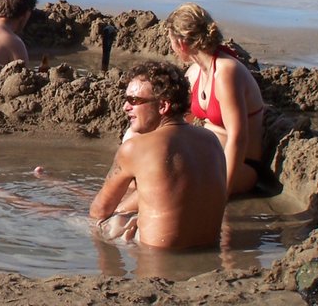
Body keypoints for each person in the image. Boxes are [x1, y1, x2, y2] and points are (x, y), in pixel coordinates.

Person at [90, 61, 227, 250]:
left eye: (134, 100)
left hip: (156, 256)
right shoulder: (211, 140)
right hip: (209, 249)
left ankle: (110, 273)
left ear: (163, 106)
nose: (125, 107)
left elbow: (100, 210)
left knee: (92, 224)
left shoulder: (135, 148)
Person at [164, 3, 267, 196]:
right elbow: (179, 121)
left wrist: (222, 193)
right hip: (205, 156)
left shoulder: (226, 72)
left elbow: (238, 137)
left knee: (173, 183)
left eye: (171, 42)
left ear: (181, 44)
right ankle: (114, 215)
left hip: (238, 165)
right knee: (151, 172)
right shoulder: (194, 72)